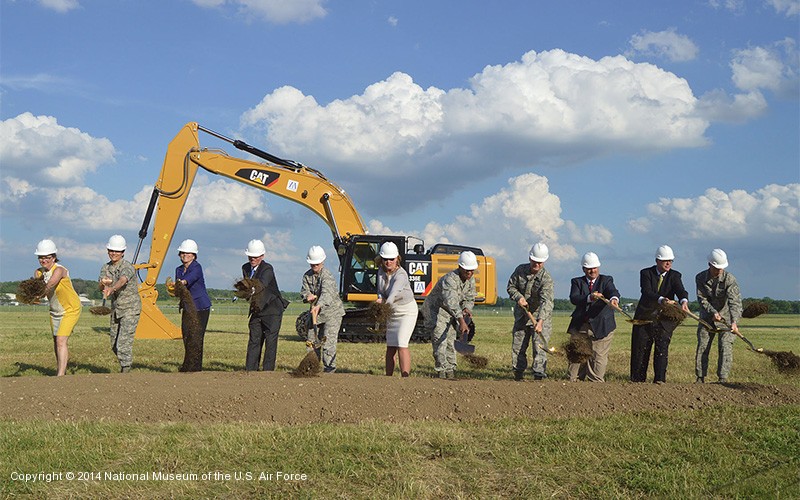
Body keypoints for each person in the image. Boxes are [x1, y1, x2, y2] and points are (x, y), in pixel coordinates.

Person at [630, 245, 690, 384]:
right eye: (665, 261)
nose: (668, 263)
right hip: (644, 317)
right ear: (657, 260)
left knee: (662, 348)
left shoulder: (675, 275)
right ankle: (637, 381)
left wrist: (684, 300)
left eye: (670, 261)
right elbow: (647, 292)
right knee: (640, 349)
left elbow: (681, 290)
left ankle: (659, 380)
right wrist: (661, 299)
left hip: (664, 319)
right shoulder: (646, 273)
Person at [566, 252, 620, 382]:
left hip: (602, 326)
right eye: (589, 268)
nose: (592, 271)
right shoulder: (577, 282)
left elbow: (613, 291)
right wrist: (590, 297)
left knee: (597, 357)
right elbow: (574, 298)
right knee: (577, 355)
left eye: (594, 268)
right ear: (583, 269)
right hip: (581, 325)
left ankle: (595, 385)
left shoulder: (606, 280)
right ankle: (574, 382)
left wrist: (614, 299)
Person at [423, 250, 477, 379]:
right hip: (437, 310)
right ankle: (441, 371)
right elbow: (451, 301)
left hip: (452, 312)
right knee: (440, 339)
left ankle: (451, 370)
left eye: (472, 270)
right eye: (467, 271)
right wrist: (461, 321)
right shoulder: (450, 279)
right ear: (460, 267)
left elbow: (470, 298)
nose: (469, 273)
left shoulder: (470, 280)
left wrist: (467, 309)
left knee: (451, 341)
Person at [33, 239, 82, 376]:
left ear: (53, 257)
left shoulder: (59, 270)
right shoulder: (38, 273)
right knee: (56, 341)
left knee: (61, 340)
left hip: (70, 309)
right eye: (41, 257)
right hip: (55, 310)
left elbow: (50, 284)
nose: (43, 260)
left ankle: (60, 376)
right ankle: (61, 369)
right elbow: (36, 286)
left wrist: (37, 295)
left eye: (47, 257)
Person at [507, 242, 554, 381]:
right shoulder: (520, 270)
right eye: (534, 261)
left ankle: (538, 376)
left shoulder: (546, 278)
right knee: (518, 347)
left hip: (540, 317)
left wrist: (540, 321)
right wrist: (519, 297)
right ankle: (518, 374)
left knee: (539, 348)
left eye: (540, 262)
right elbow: (511, 287)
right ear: (530, 258)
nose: (537, 265)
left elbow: (547, 302)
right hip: (522, 316)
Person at [695, 248, 742, 383]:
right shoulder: (700, 278)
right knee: (703, 345)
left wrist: (734, 322)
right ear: (709, 265)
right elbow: (702, 299)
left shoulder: (730, 279)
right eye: (716, 268)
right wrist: (713, 312)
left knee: (725, 346)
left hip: (726, 319)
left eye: (721, 268)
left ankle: (722, 379)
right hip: (707, 318)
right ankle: (700, 377)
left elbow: (735, 303)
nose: (719, 271)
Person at [242, 239, 288, 371]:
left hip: (272, 310)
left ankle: (268, 372)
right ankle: (250, 370)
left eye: (256, 256)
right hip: (257, 309)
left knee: (270, 341)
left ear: (262, 256)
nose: (253, 259)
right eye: (250, 256)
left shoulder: (267, 268)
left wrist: (247, 290)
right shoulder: (245, 268)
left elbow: (261, 284)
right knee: (254, 339)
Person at [99, 234, 141, 373]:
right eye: (111, 250)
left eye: (117, 251)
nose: (114, 253)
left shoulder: (127, 267)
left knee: (123, 342)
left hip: (130, 308)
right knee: (114, 343)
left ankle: (125, 369)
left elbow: (122, 280)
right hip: (116, 309)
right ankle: (124, 364)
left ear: (123, 252)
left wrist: (112, 288)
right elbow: (101, 285)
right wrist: (103, 284)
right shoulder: (106, 267)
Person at [376, 241, 419, 377]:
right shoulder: (380, 272)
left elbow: (394, 293)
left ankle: (405, 378)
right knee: (391, 345)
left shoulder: (401, 275)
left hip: (406, 311)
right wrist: (379, 299)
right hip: (392, 311)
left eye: (391, 259)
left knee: (401, 342)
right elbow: (380, 291)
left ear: (397, 259)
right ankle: (388, 378)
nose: (388, 262)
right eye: (385, 259)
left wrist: (385, 306)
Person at [300, 245, 345, 373]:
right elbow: (304, 291)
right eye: (312, 264)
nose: (314, 266)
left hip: (332, 314)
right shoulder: (307, 276)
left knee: (328, 343)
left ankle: (329, 369)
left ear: (322, 261)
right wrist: (307, 296)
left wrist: (318, 305)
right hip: (315, 315)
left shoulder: (327, 276)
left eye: (317, 263)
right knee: (311, 342)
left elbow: (326, 294)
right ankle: (312, 367)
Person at [174, 239, 212, 372]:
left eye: (188, 253)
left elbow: (191, 278)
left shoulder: (197, 267)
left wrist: (182, 282)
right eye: (182, 253)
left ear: (194, 255)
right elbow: (179, 288)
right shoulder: (178, 270)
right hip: (187, 307)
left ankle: (196, 367)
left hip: (200, 307)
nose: (185, 255)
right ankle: (188, 364)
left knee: (196, 337)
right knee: (186, 335)